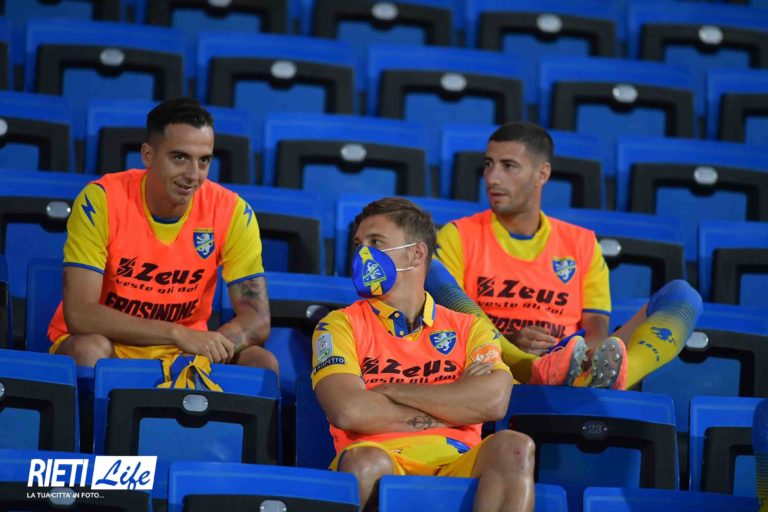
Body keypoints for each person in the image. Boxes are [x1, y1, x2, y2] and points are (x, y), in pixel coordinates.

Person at [427, 121, 702, 390]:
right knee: (432, 271)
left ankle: (615, 379)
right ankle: (533, 368)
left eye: (508, 166)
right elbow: (451, 323)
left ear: (542, 174)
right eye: (489, 164)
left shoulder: (581, 242)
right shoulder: (459, 235)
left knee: (682, 295)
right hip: (497, 365)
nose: (492, 178)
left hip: (571, 365)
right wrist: (509, 340)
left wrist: (579, 358)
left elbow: (596, 331)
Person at [312, 198, 535, 512]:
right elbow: (349, 410)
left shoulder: (469, 327)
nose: (363, 254)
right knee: (365, 462)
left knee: (515, 446)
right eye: (359, 244)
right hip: (379, 456)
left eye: (376, 242)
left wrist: (389, 391)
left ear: (416, 254)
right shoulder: (338, 325)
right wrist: (456, 402)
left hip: (458, 460)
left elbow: (493, 402)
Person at [47, 97, 277, 373]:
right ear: (148, 155)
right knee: (89, 349)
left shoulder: (232, 212)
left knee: (262, 363)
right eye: (180, 157)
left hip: (186, 353)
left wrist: (209, 348)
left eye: (204, 160)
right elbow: (80, 314)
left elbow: (257, 319)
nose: (193, 175)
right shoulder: (102, 200)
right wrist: (175, 333)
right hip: (111, 344)